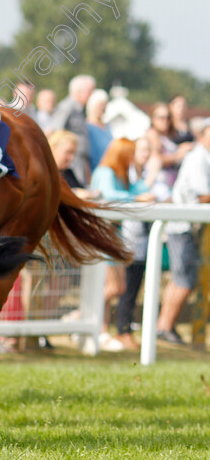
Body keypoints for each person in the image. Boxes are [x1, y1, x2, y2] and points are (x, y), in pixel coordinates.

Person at [90, 138, 156, 351]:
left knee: (116, 287)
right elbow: (111, 196)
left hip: (113, 235)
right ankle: (84, 315)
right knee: (114, 287)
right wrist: (137, 199)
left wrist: (146, 173)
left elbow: (142, 189)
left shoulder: (123, 174)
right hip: (102, 235)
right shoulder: (107, 172)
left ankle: (100, 329)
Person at [157, 117, 210, 344]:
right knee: (183, 280)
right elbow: (202, 196)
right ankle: (164, 327)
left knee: (182, 279)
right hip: (182, 226)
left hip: (187, 227)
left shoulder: (202, 157)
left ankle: (164, 327)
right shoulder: (198, 158)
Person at [114, 136, 162, 349]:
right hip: (127, 238)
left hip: (142, 239)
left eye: (147, 150)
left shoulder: (143, 174)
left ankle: (125, 330)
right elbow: (138, 194)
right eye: (141, 149)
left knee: (134, 287)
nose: (144, 153)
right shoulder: (127, 173)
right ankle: (121, 331)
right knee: (124, 287)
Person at [50, 75, 97, 184]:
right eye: (90, 91)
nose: (92, 94)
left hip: (79, 160)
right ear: (79, 91)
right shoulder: (67, 107)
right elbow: (55, 132)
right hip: (69, 162)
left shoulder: (80, 110)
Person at [146, 102, 193, 200]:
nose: (165, 121)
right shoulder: (153, 134)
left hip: (170, 183)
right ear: (152, 118)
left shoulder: (168, 135)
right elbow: (157, 159)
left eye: (168, 117)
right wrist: (178, 155)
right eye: (161, 117)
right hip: (158, 184)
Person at [48, 130, 98, 199]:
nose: (71, 158)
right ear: (53, 148)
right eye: (68, 152)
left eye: (73, 153)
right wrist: (73, 193)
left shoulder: (68, 173)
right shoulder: (45, 175)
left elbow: (82, 191)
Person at [85, 88, 112, 171]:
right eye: (100, 105)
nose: (102, 108)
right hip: (94, 169)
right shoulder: (87, 126)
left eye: (104, 105)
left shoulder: (108, 127)